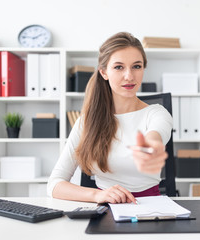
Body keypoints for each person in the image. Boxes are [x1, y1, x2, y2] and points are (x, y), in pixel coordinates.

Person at [47, 32, 173, 204]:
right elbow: (54, 185)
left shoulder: (157, 113)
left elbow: (156, 134)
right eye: (119, 67)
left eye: (136, 66)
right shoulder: (87, 121)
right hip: (105, 209)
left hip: (150, 210)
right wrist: (98, 195)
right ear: (104, 72)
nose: (129, 76)